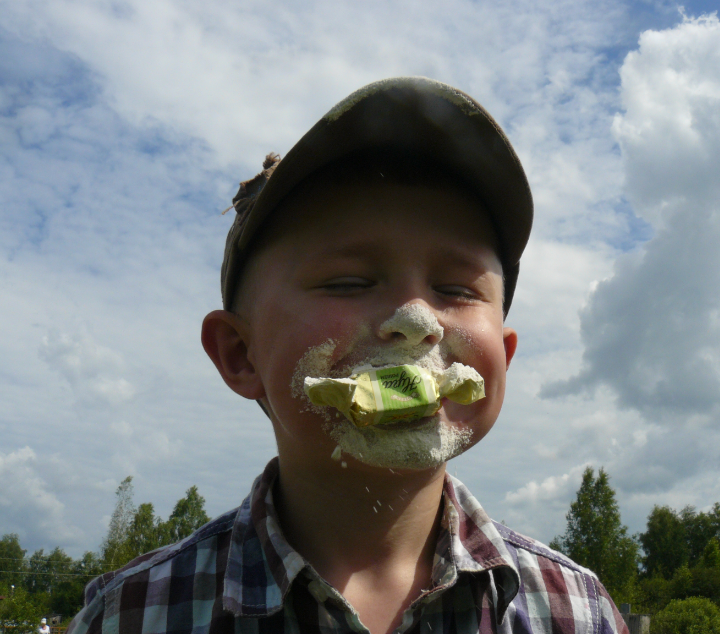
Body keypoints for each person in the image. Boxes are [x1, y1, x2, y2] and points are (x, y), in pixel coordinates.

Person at [67, 77, 628, 634]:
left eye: (456, 290)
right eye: (348, 283)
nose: (416, 321)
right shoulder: (130, 616)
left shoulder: (577, 611)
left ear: (502, 357)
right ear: (240, 355)